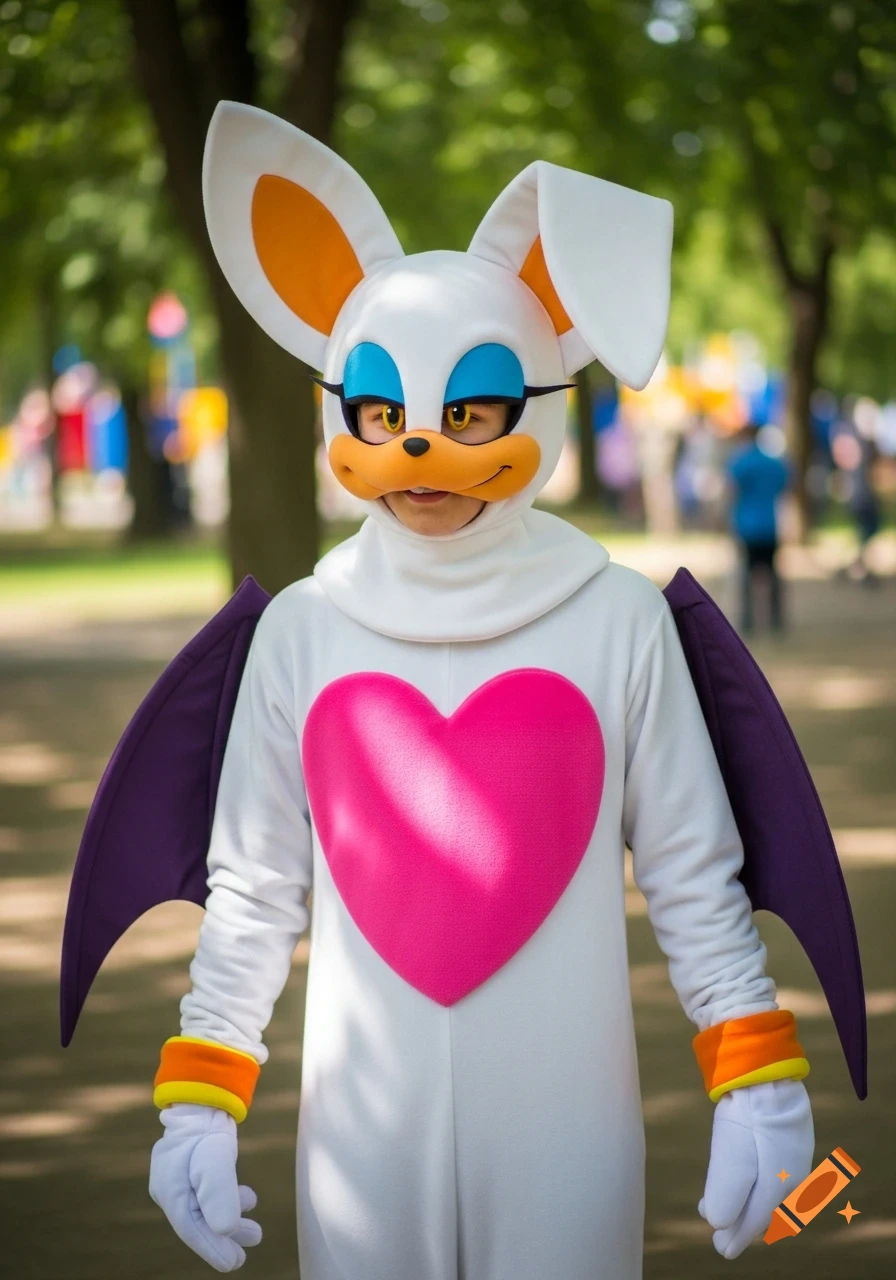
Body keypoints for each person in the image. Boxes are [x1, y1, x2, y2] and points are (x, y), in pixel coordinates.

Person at [99, 104, 818, 1278]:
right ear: (337, 403)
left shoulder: (620, 620)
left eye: (470, 411)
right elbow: (252, 885)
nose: (420, 451)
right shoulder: (301, 628)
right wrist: (200, 1088)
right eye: (381, 414)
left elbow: (695, 873)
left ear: (539, 395)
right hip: (356, 1133)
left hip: (568, 1123)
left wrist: (754, 1068)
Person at [727, 423, 790, 634]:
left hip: (747, 525)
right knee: (772, 573)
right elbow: (785, 486)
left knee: (746, 575)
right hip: (770, 524)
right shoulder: (773, 462)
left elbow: (732, 490)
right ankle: (776, 619)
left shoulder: (741, 462)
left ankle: (748, 620)